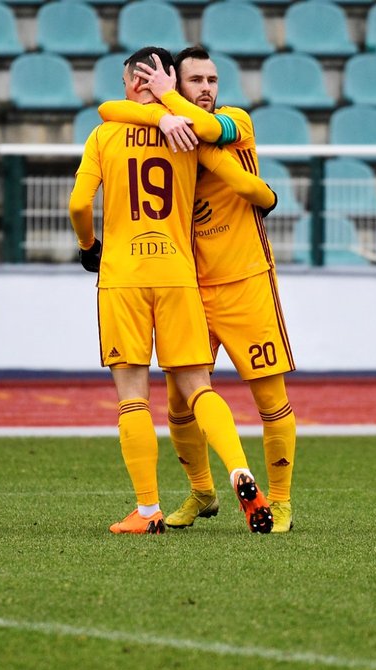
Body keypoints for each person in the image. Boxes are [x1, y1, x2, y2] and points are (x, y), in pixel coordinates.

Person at [69, 46, 277, 535]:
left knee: (132, 398)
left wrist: (87, 245)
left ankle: (147, 512)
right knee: (198, 388)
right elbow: (238, 180)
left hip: (124, 276)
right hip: (179, 273)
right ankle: (239, 471)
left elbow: (80, 203)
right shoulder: (187, 133)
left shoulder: (104, 133)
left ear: (130, 82)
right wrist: (266, 197)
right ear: (166, 81)